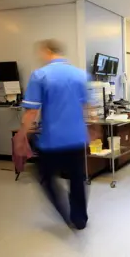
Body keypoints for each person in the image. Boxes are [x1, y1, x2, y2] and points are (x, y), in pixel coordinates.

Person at [19, 39, 90, 230]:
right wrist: (93, 130)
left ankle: (64, 211)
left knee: (45, 176)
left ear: (48, 51)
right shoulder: (80, 75)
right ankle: (80, 218)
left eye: (42, 52)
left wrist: (22, 135)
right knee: (77, 178)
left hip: (53, 140)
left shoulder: (41, 75)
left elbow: (32, 111)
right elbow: (87, 106)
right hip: (76, 137)